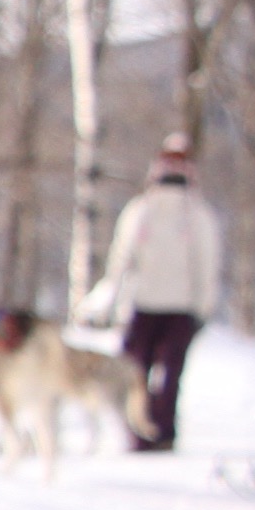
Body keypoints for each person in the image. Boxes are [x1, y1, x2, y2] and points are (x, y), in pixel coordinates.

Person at [82, 133, 222, 450]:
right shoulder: (141, 211)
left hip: (180, 308)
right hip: (143, 304)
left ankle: (162, 432)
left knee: (169, 375)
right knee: (135, 373)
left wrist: (202, 307)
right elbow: (121, 259)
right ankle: (139, 431)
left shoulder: (197, 216)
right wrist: (112, 298)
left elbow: (206, 265)